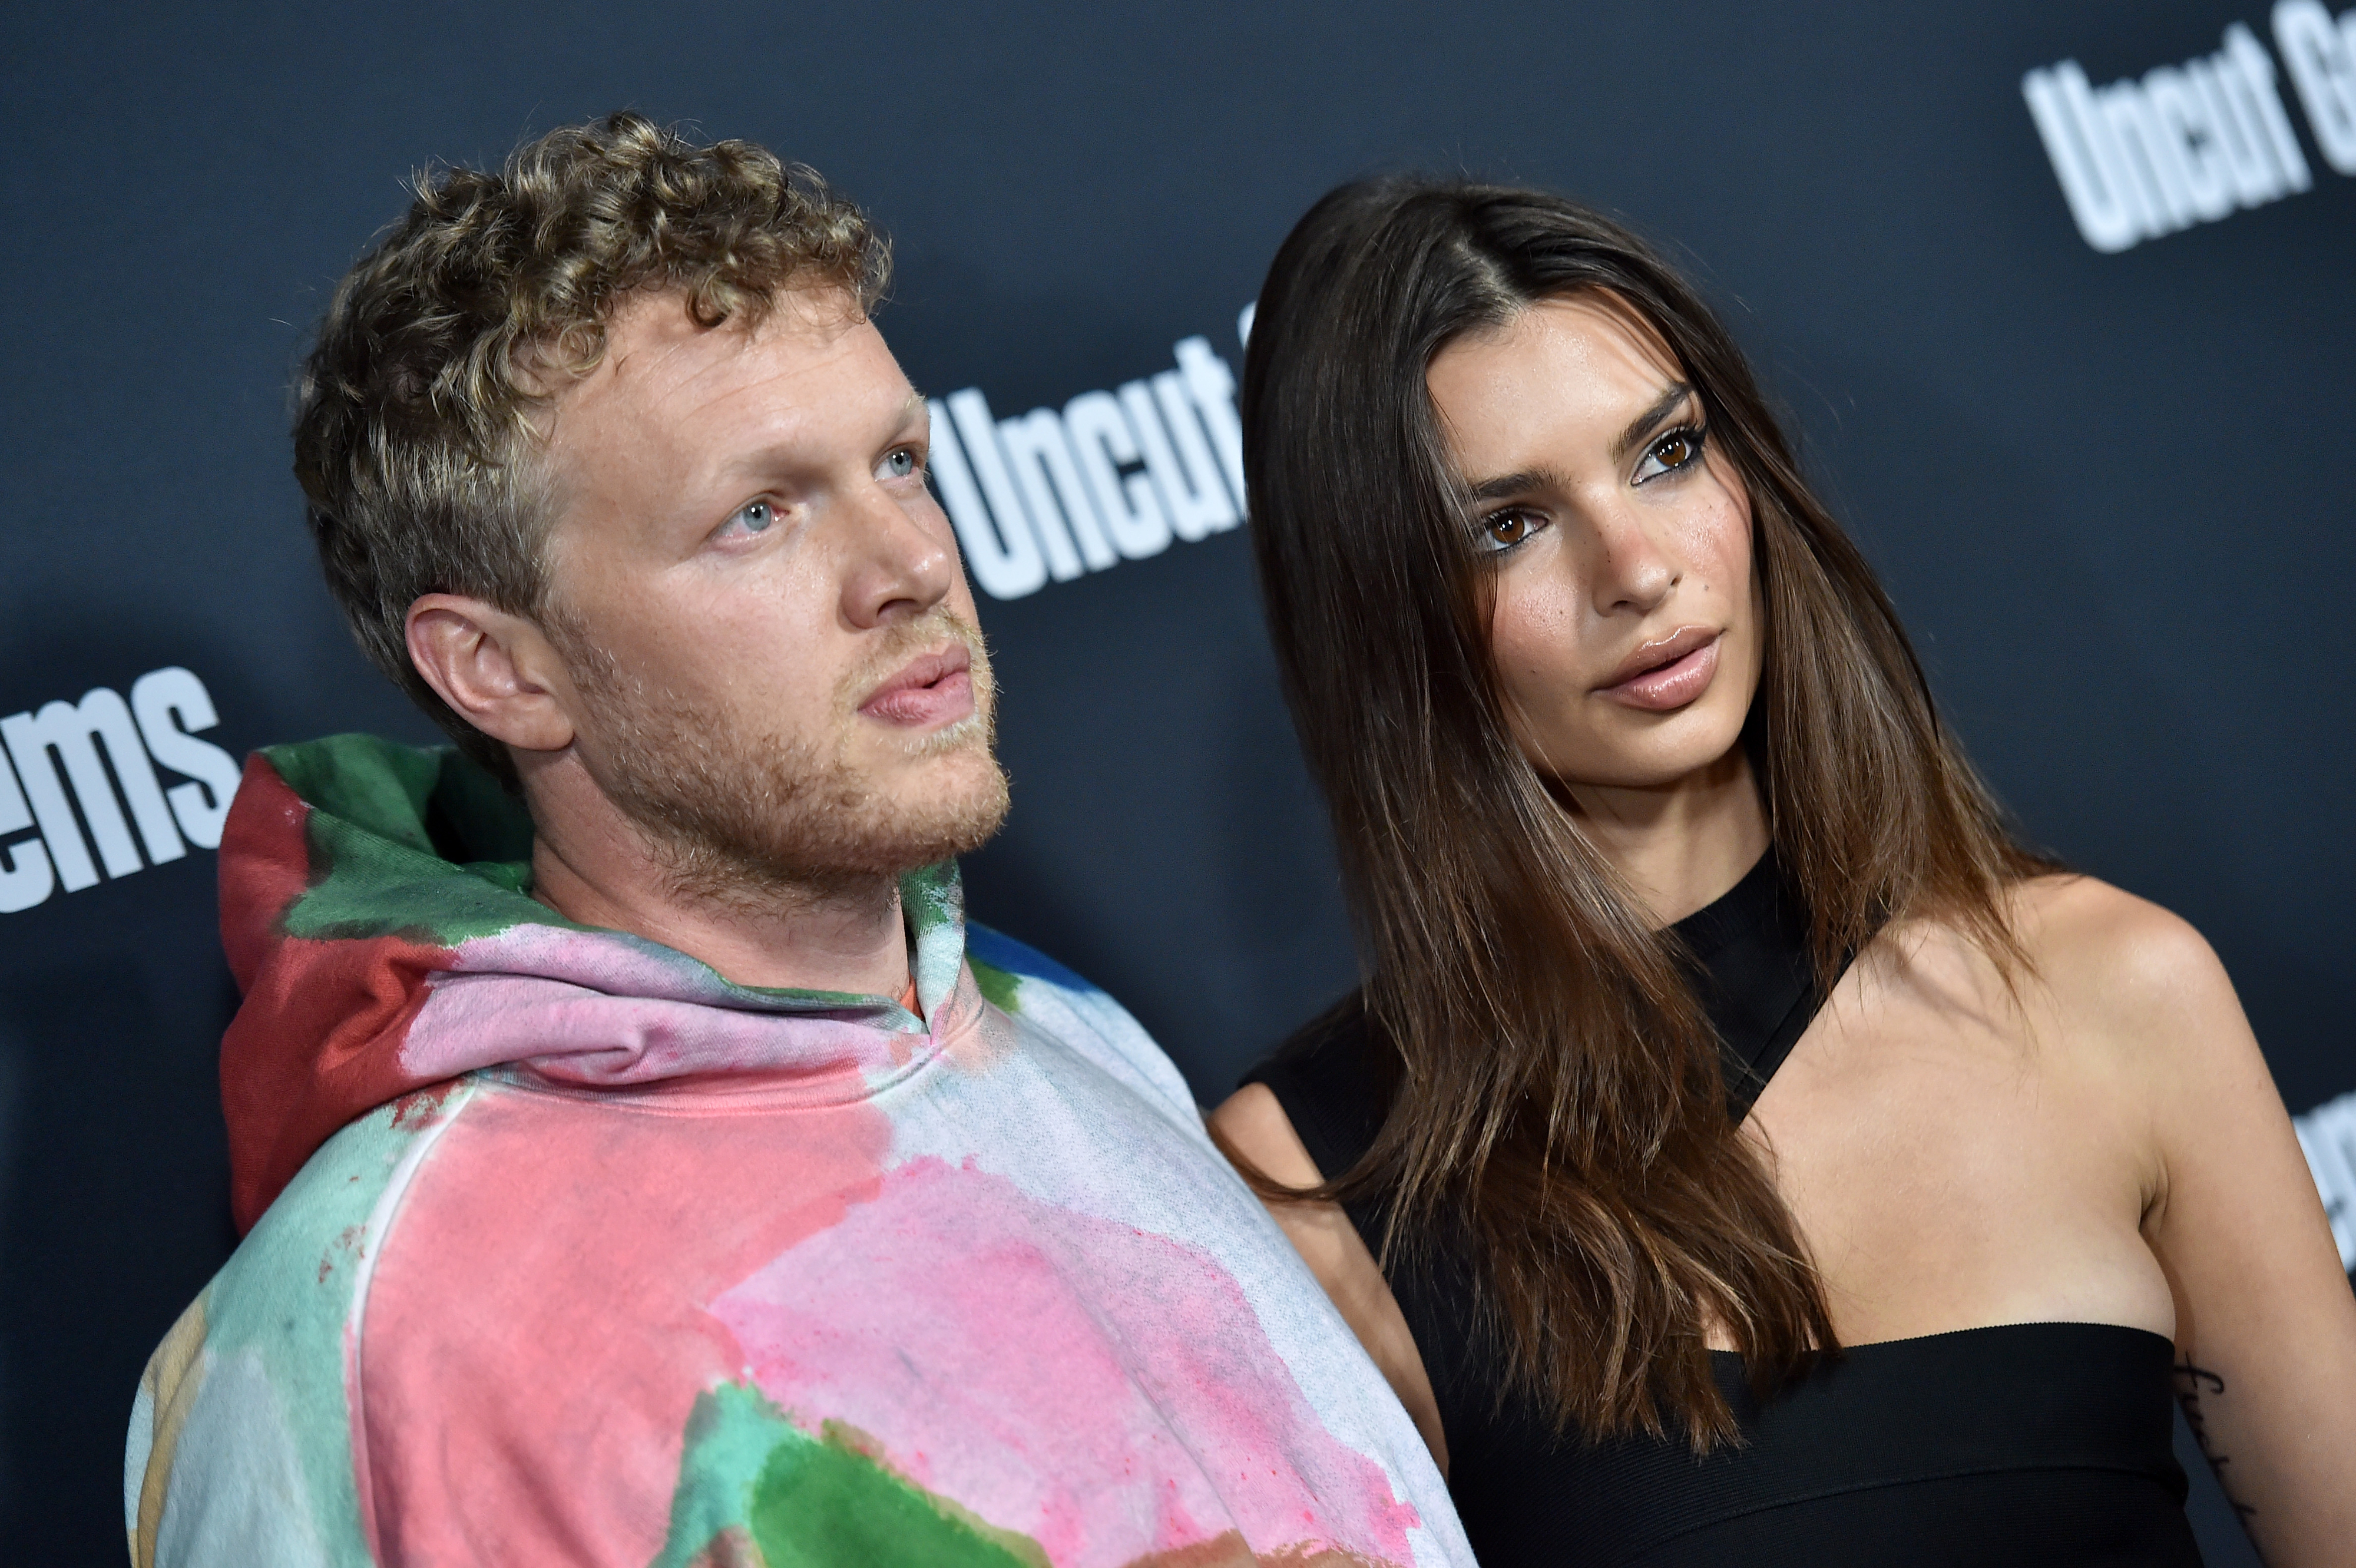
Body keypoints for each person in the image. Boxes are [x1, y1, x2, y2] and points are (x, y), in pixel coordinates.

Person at [122, 117, 1471, 1568]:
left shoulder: (1062, 1031)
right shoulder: (369, 1323)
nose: (909, 566)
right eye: (757, 514)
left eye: (898, 460)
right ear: (500, 670)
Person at [1210, 178, 2356, 1566]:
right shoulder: (1312, 1193)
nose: (1634, 567)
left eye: (1664, 454)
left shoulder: (2113, 991)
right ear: (1384, 620)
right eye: (1506, 525)